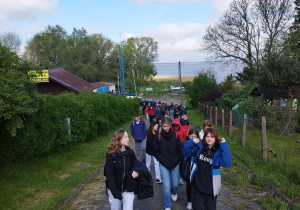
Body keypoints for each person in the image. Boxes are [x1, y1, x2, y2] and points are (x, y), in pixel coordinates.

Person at [182, 127, 231, 210]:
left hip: (211, 188)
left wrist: (224, 145)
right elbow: (185, 152)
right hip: (197, 185)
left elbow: (227, 163)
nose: (209, 139)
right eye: (207, 136)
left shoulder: (218, 152)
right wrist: (191, 141)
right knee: (197, 207)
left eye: (212, 137)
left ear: (216, 138)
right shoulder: (198, 148)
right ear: (204, 137)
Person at [104, 129, 139, 210]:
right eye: (125, 137)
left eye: (127, 136)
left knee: (129, 208)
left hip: (128, 187)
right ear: (119, 140)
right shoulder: (111, 156)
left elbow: (136, 166)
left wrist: (136, 173)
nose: (128, 139)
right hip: (115, 188)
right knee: (116, 208)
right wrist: (115, 192)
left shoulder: (130, 152)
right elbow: (109, 176)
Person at [154, 117, 182, 210]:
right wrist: (160, 159)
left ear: (171, 126)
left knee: (175, 184)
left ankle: (174, 192)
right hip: (163, 163)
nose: (166, 128)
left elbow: (180, 149)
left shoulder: (176, 135)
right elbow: (156, 150)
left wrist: (178, 159)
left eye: (168, 126)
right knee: (166, 186)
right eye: (164, 126)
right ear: (161, 126)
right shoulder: (158, 136)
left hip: (175, 163)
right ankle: (167, 206)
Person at [180, 128, 200, 210]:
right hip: (188, 167)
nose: (193, 138)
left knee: (196, 185)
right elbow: (185, 152)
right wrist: (191, 142)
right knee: (189, 185)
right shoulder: (187, 142)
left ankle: (195, 200)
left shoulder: (199, 144)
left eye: (195, 137)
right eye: (192, 136)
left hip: (196, 168)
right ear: (189, 135)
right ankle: (189, 201)